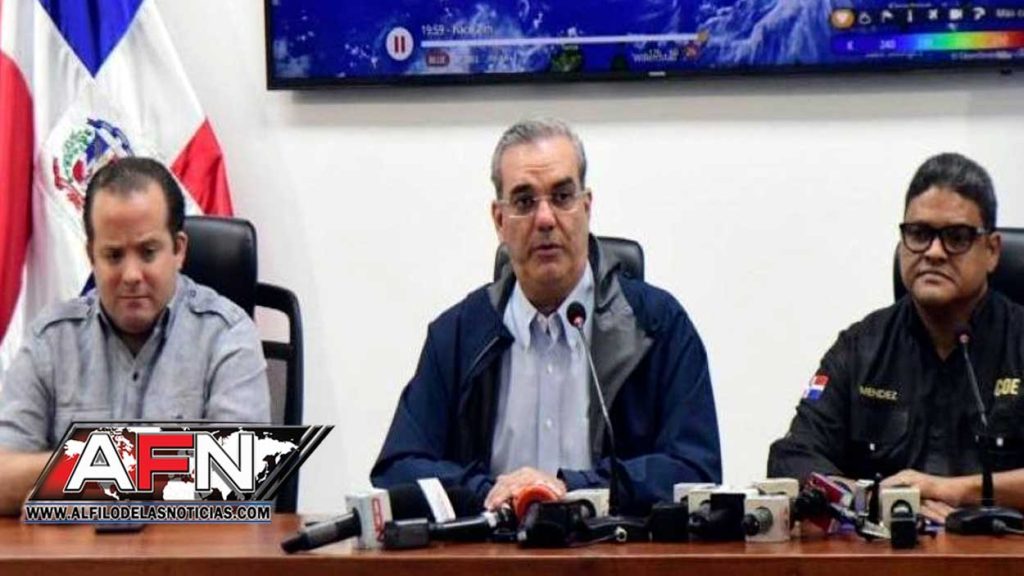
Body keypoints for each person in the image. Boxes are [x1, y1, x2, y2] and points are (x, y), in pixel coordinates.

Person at [372, 118, 721, 513]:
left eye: (562, 196)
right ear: (499, 220)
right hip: (490, 546)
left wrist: (573, 488)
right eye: (524, 202)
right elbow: (397, 470)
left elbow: (696, 471)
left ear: (586, 207)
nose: (545, 219)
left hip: (612, 546)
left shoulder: (657, 327)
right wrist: (492, 492)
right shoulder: (457, 336)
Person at [0, 157, 270, 515]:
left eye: (147, 252)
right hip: (76, 551)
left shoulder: (227, 334)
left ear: (178, 250)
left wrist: (78, 472)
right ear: (91, 256)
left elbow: (239, 478)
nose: (131, 275)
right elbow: (3, 476)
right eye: (113, 255)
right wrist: (158, 466)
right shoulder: (51, 340)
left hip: (189, 550)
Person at [768, 152, 1024, 523]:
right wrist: (875, 500)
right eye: (919, 234)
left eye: (956, 237)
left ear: (992, 250)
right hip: (886, 549)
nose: (934, 252)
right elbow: (791, 457)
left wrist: (953, 490)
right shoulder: (861, 348)